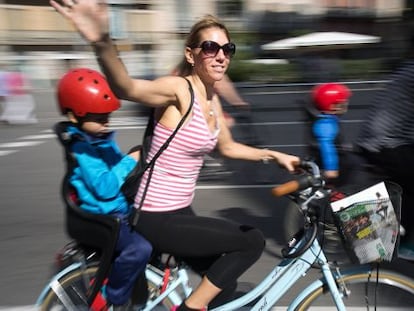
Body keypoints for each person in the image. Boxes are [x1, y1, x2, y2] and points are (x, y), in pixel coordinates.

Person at [49, 2, 300, 310]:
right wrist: (101, 40)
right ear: (191, 54)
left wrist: (273, 155)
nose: (221, 55)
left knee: (222, 282)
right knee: (252, 241)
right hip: (156, 216)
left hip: (181, 211)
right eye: (210, 47)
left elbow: (228, 147)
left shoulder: (212, 100)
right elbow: (126, 86)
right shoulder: (178, 91)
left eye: (227, 48)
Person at [56, 67, 152, 310]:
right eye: (99, 119)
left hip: (117, 209)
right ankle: (116, 298)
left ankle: (138, 288)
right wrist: (130, 160)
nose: (105, 123)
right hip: (104, 216)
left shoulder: (99, 140)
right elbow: (106, 187)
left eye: (107, 117)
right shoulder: (83, 148)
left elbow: (119, 173)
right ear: (74, 117)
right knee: (140, 248)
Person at [353, 60, 414, 260]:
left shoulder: (407, 67)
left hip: (383, 138)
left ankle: (390, 233)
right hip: (386, 142)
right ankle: (403, 242)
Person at [306, 82, 352, 186]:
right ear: (333, 106)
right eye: (343, 102)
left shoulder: (328, 120)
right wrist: (331, 168)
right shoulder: (326, 124)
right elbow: (326, 146)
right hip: (334, 170)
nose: (346, 103)